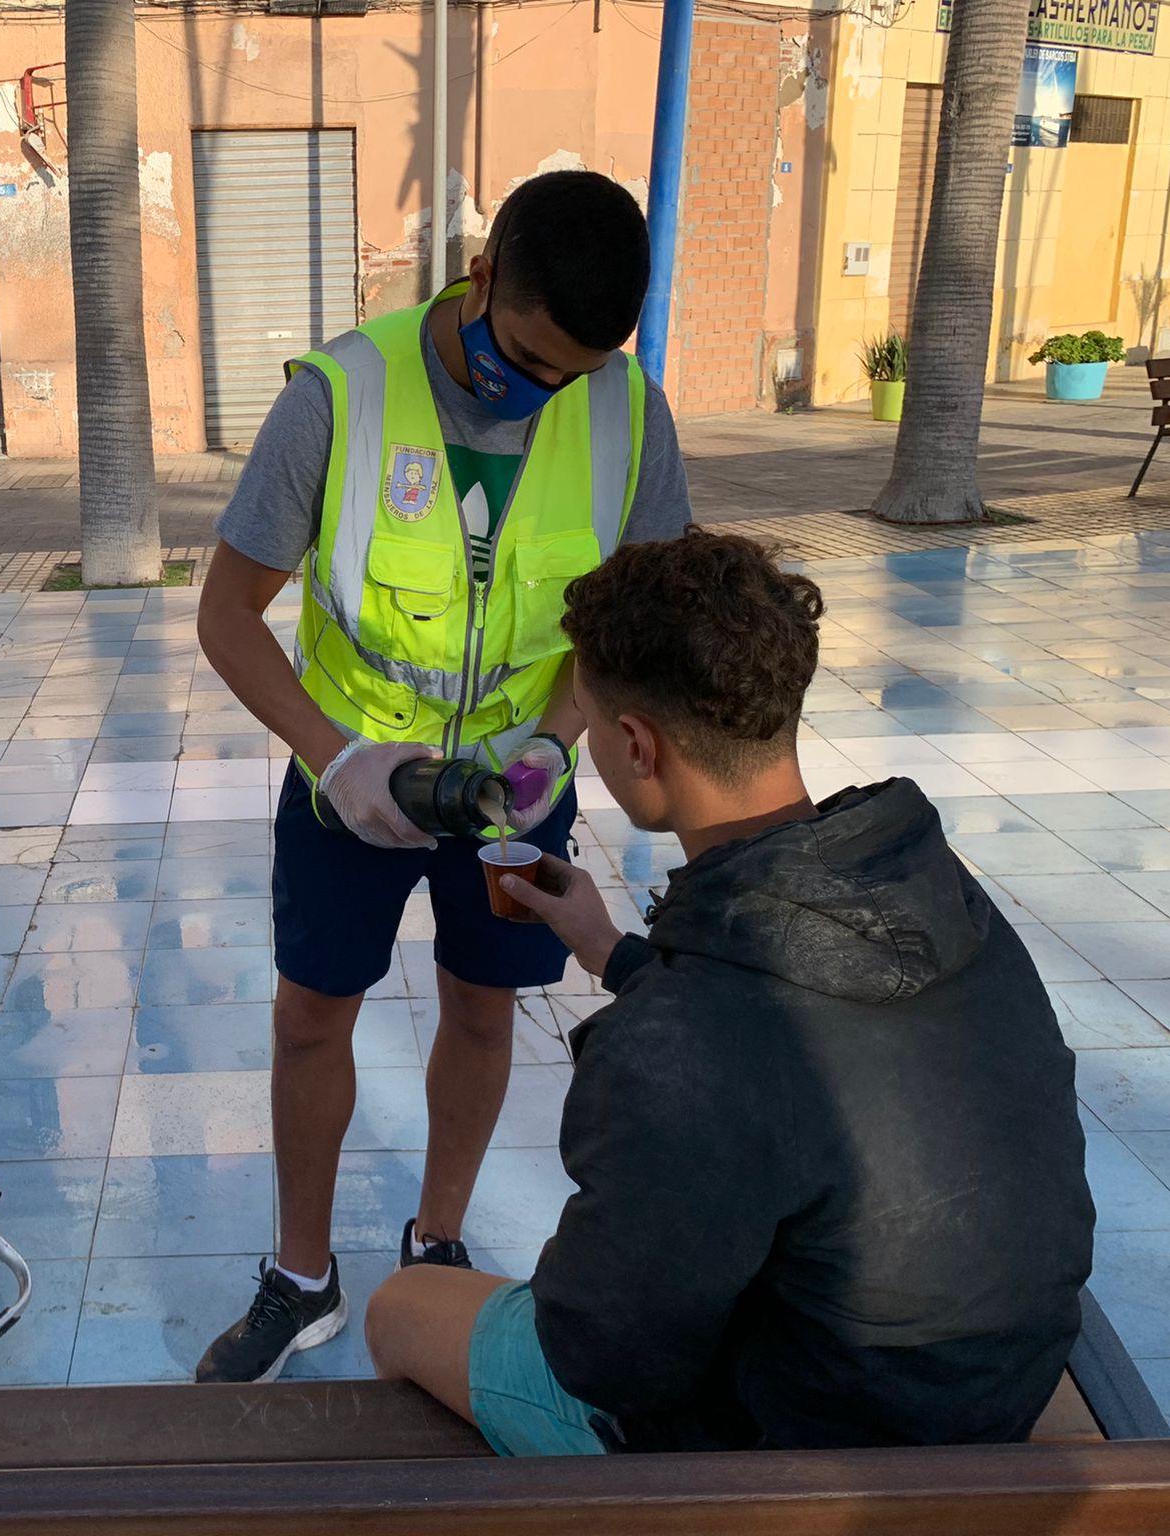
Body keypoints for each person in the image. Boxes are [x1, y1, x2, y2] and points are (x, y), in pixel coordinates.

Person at [364, 529, 1096, 1454]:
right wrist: (613, 952)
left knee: (405, 1305)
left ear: (636, 744)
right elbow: (801, 1030)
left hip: (802, 1457)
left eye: (587, 720)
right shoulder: (936, 889)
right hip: (992, 1379)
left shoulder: (680, 1048)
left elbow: (603, 1356)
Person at [194, 170, 693, 1383]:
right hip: (352, 784)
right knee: (311, 1017)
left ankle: (435, 1242)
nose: (544, 392)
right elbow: (224, 615)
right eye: (525, 359)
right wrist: (338, 756)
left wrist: (555, 737)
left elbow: (632, 627)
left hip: (517, 789)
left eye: (572, 373)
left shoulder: (627, 412)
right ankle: (299, 1277)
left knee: (484, 1006)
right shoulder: (341, 396)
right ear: (478, 281)